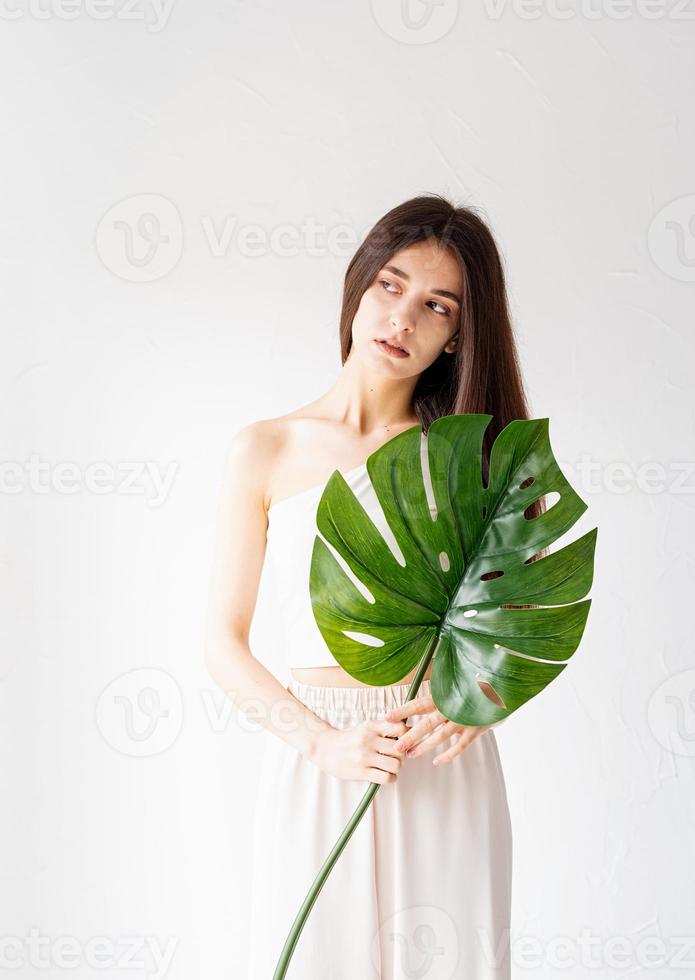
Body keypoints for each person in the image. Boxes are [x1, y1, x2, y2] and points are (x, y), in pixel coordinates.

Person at [205, 193, 540, 979]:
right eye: (390, 286)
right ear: (358, 285)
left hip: (439, 757)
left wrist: (483, 696)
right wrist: (319, 741)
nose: (402, 318)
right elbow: (221, 641)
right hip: (319, 756)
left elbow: (518, 617)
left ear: (458, 333)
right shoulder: (264, 448)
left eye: (435, 305)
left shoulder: (470, 454)